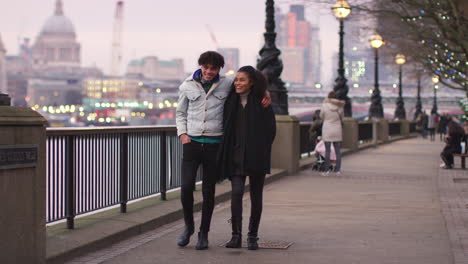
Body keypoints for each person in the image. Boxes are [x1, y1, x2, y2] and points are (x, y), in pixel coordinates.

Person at [175, 52, 270, 250]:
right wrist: (183, 134)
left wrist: (265, 92)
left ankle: (204, 234)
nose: (209, 71)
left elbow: (250, 84)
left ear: (219, 69)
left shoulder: (227, 84)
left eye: (213, 68)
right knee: (186, 188)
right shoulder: (187, 85)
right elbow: (180, 113)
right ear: (200, 66)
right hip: (192, 143)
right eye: (206, 67)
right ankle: (189, 227)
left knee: (209, 192)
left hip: (214, 145)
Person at [218, 66, 276, 250]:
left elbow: (271, 130)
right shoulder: (230, 101)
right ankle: (236, 236)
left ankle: (252, 236)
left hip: (256, 156)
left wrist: (262, 148)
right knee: (236, 194)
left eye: (242, 80)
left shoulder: (262, 102)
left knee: (256, 197)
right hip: (235, 156)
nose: (237, 83)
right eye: (236, 80)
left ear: (251, 82)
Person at [320, 91, 344, 176]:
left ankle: (326, 171)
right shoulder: (339, 107)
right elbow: (342, 118)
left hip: (327, 129)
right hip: (337, 129)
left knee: (327, 151)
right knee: (337, 151)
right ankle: (337, 170)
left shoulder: (324, 106)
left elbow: (321, 116)